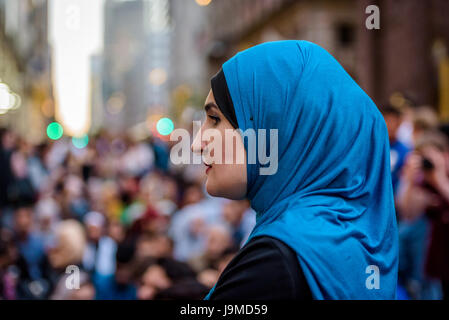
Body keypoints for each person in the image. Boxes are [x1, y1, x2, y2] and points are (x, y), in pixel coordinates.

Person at [191, 40, 398, 299]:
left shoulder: (276, 259)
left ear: (272, 129)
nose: (197, 143)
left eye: (215, 119)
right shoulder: (351, 238)